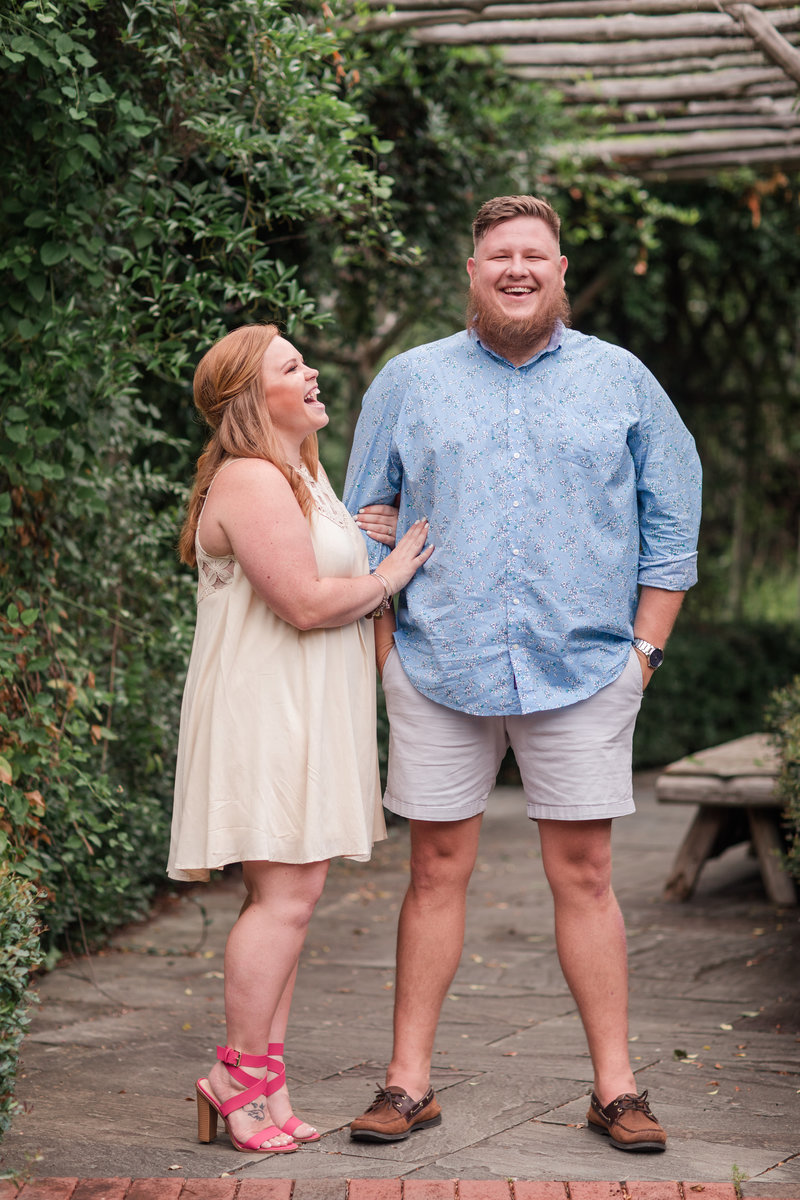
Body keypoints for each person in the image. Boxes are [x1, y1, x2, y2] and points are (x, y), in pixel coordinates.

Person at [344, 194, 702, 1154]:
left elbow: (674, 520)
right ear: (471, 273)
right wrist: (387, 656)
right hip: (435, 660)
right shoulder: (410, 381)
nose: (515, 268)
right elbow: (357, 516)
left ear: (559, 275)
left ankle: (615, 1091)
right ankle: (407, 1084)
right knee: (433, 870)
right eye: (498, 254)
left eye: (533, 255)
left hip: (585, 667)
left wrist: (642, 656)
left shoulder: (621, 380)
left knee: (585, 875)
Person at [168, 322, 432, 1155]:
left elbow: (323, 565)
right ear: (253, 396)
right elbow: (307, 603)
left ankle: (265, 1084)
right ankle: (234, 1081)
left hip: (304, 704)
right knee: (282, 900)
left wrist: (363, 535)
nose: (313, 371)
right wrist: (392, 571)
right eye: (292, 365)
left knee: (292, 898)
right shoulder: (249, 477)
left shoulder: (298, 475)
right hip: (264, 706)